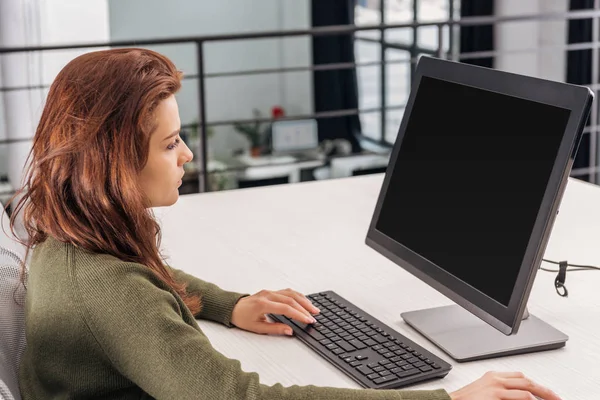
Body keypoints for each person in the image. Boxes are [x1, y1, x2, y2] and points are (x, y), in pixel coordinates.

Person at [5, 48, 562, 400]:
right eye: (171, 143)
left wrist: (229, 303)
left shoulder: (62, 231)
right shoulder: (110, 293)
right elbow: (239, 398)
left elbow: (136, 283)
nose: (189, 155)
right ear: (114, 163)